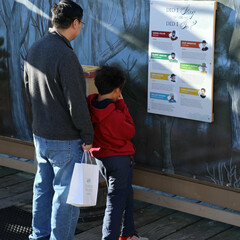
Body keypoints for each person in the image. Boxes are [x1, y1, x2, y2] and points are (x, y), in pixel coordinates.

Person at [24, 1, 94, 239]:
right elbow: (77, 102)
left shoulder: (35, 48)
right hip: (65, 140)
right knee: (65, 197)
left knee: (42, 189)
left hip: (40, 135)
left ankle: (38, 236)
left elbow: (27, 87)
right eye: (81, 23)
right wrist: (87, 136)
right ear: (75, 23)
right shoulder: (66, 56)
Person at [87, 66, 149, 240]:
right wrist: (121, 103)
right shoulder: (114, 114)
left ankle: (128, 234)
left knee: (125, 194)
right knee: (115, 202)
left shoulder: (90, 104)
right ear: (116, 90)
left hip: (102, 159)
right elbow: (130, 130)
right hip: (119, 161)